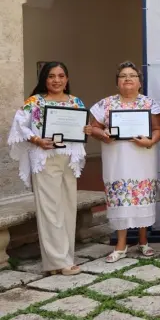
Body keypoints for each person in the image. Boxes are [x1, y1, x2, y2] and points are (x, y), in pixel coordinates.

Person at [8, 62, 89, 275]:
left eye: (61, 75)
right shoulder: (35, 102)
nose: (57, 80)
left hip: (68, 160)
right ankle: (57, 262)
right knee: (50, 210)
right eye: (51, 76)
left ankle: (65, 257)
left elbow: (80, 127)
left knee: (68, 207)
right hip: (45, 158)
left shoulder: (75, 101)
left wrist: (85, 129)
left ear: (67, 79)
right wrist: (36, 140)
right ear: (44, 79)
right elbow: (19, 126)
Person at [88, 61, 160, 263]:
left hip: (142, 158)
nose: (128, 79)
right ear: (117, 82)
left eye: (132, 75)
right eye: (123, 76)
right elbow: (93, 127)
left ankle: (144, 241)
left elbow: (158, 130)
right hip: (117, 159)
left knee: (142, 197)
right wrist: (103, 135)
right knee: (120, 197)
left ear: (140, 82)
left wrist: (150, 141)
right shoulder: (105, 104)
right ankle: (121, 245)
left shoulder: (149, 104)